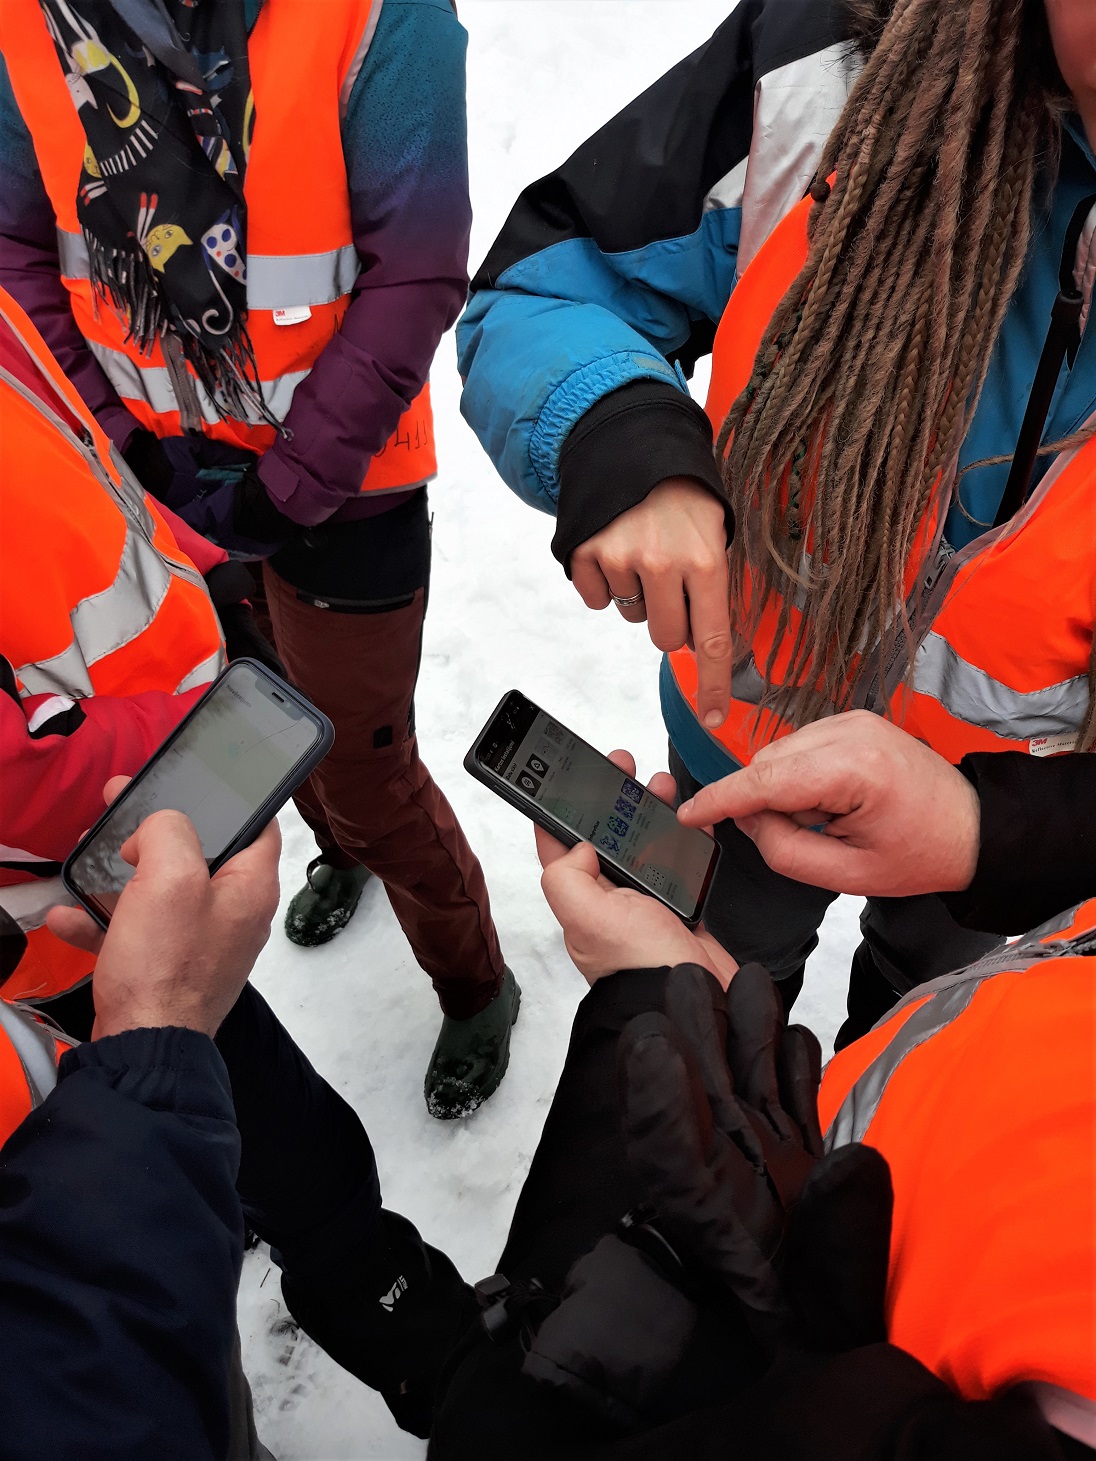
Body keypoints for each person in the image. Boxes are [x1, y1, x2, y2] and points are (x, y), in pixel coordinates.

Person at [456, 0, 1096, 1044]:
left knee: (904, 1049)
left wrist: (996, 835)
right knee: (712, 1020)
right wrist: (624, 439)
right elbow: (545, 289)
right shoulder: (828, 68)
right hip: (740, 765)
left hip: (1014, 845)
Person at [0, 0, 519, 1118]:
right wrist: (129, 448)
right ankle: (335, 845)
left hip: (343, 482)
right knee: (252, 728)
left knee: (370, 775)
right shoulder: (20, 23)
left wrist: (292, 484)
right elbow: (18, 254)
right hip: (162, 489)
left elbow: (414, 265)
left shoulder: (378, 17)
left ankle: (474, 980)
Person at [429, 717, 1096, 1459]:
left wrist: (641, 993)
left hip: (791, 1271)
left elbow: (514, 1423)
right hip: (808, 1150)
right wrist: (989, 825)